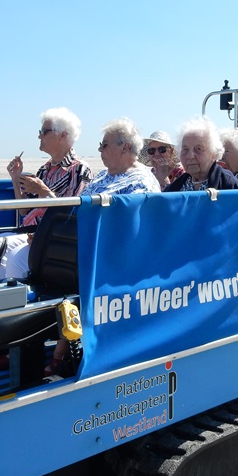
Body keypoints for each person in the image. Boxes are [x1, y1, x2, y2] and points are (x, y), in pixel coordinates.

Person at [42, 117, 160, 377]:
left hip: (108, 255)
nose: (100, 150)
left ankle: (60, 355)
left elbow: (128, 231)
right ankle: (12, 340)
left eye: (104, 145)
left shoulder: (141, 182)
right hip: (79, 244)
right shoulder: (104, 177)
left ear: (125, 147)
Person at [0, 107, 92, 289]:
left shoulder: (79, 170)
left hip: (46, 232)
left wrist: (44, 191)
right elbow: (24, 209)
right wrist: (16, 178)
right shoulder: (44, 169)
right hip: (28, 229)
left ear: (62, 135)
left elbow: (73, 213)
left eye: (44, 131)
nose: (39, 136)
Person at [165, 117, 238, 191]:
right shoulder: (175, 188)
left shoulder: (229, 184)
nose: (190, 156)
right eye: (185, 149)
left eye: (198, 149)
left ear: (214, 154)